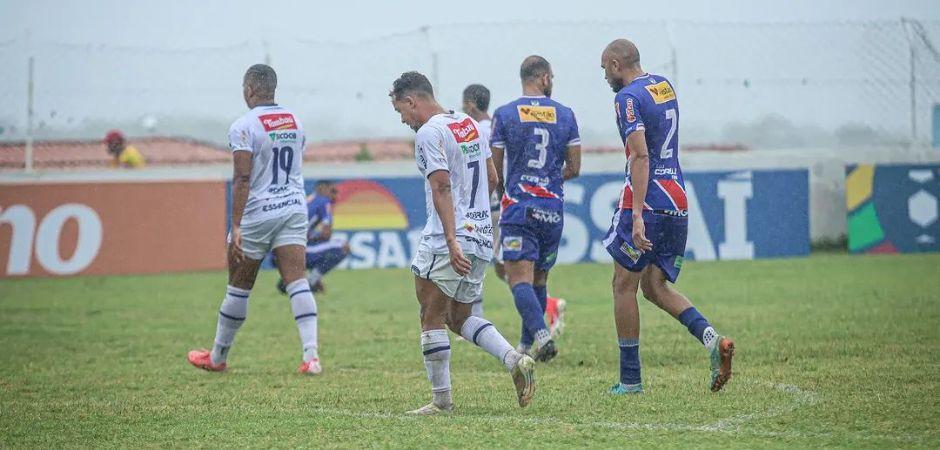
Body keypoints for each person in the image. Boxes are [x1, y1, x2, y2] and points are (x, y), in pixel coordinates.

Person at [390, 71, 535, 415]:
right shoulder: (467, 123)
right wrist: (477, 221)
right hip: (482, 234)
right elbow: (492, 177)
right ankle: (513, 358)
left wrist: (453, 239)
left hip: (447, 237)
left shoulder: (429, 133)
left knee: (431, 315)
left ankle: (442, 401)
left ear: (412, 101)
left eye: (401, 111)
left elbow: (440, 186)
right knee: (459, 317)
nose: (403, 120)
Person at [600, 39, 734, 395]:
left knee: (622, 286)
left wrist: (639, 214)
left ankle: (630, 380)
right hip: (677, 199)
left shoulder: (626, 97)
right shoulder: (663, 85)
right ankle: (711, 339)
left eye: (604, 70)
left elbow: (641, 157)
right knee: (654, 287)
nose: (605, 78)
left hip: (647, 200)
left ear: (616, 64)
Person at [187, 64, 322, 376]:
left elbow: (243, 177)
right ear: (272, 89)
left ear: (248, 90)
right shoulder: (295, 121)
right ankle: (311, 357)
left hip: (258, 213)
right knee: (297, 280)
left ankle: (218, 357)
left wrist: (235, 225)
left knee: (239, 285)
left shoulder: (243, 126)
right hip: (292, 207)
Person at [490, 56, 581, 362]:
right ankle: (526, 346)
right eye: (551, 77)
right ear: (543, 78)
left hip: (519, 208)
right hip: (552, 210)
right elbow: (575, 167)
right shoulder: (566, 115)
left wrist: (507, 188)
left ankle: (542, 336)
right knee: (540, 280)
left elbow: (495, 169)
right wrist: (549, 179)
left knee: (518, 280)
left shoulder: (505, 115)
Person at [276, 180, 350, 294]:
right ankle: (310, 283)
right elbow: (326, 234)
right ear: (322, 189)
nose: (335, 195)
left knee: (320, 248)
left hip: (279, 251)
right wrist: (313, 237)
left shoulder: (307, 200)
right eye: (333, 191)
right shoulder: (324, 202)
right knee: (344, 246)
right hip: (297, 249)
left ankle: (291, 280)